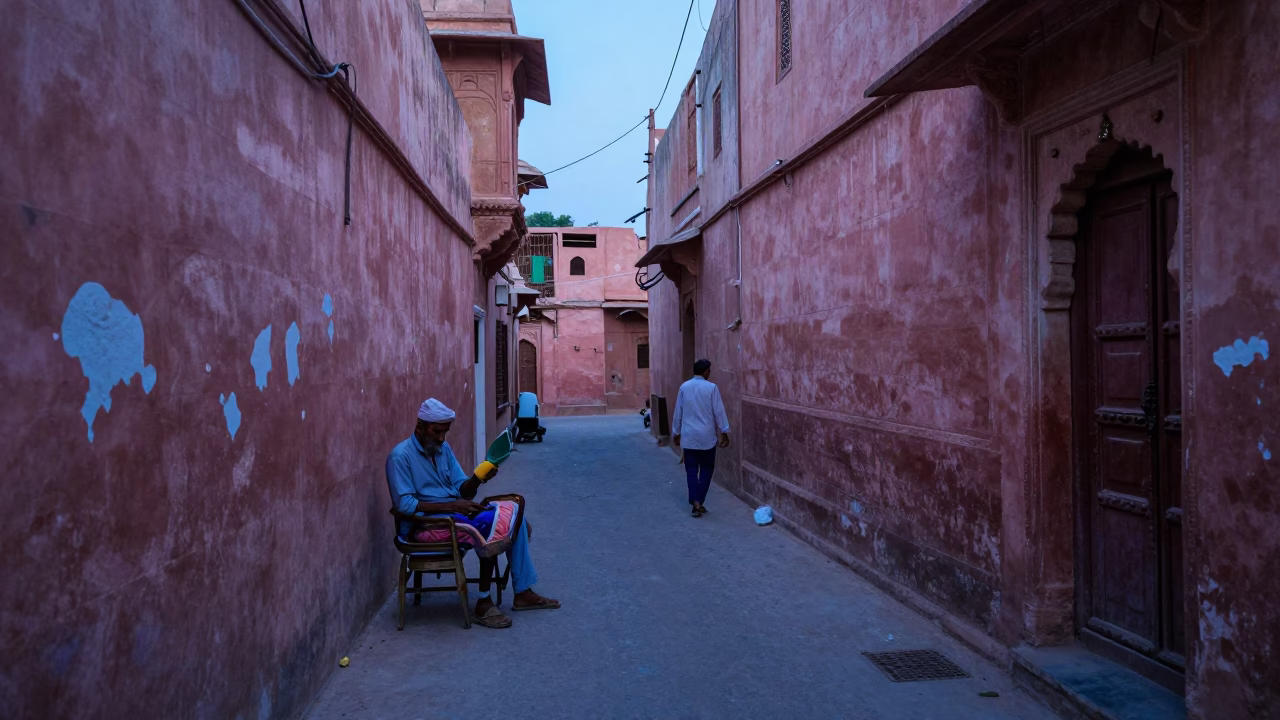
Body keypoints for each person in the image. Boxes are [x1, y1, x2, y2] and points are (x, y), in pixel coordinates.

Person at [386, 398, 560, 628]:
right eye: (437, 431)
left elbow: (462, 490)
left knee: (514, 516)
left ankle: (523, 592)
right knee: (489, 525)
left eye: (445, 432)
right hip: (424, 526)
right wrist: (453, 506)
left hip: (451, 515)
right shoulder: (401, 457)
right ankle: (483, 602)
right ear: (419, 426)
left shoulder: (442, 449)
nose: (441, 438)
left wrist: (478, 479)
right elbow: (406, 505)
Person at [672, 359, 730, 517]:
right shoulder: (711, 388)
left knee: (691, 470)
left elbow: (679, 411)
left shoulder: (684, 387)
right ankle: (698, 501)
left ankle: (695, 501)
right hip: (706, 437)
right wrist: (724, 431)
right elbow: (718, 411)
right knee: (706, 469)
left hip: (689, 436)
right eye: (709, 370)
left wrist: (676, 433)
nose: (709, 372)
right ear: (705, 371)